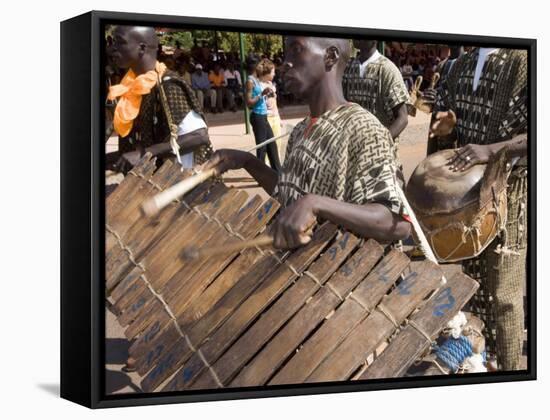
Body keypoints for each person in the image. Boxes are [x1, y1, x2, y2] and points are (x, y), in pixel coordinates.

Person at [203, 36, 411, 249]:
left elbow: (395, 224)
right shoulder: (301, 130)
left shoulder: (364, 128)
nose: (286, 62)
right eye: (287, 53)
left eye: (296, 50)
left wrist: (316, 203)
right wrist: (247, 161)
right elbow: (290, 194)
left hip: (343, 276)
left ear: (330, 56)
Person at [428, 47, 528, 371]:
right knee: (475, 289)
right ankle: (482, 366)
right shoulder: (460, 66)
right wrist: (447, 128)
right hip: (467, 198)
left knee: (504, 295)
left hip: (509, 194)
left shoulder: (524, 59)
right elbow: (453, 133)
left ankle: (514, 375)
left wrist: (489, 149)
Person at [107, 26, 213, 171]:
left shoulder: (168, 85)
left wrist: (144, 154)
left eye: (120, 42)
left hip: (179, 184)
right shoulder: (129, 88)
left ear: (142, 48)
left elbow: (199, 136)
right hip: (148, 183)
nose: (113, 48)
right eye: (113, 42)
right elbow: (134, 149)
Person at [342, 40, 409, 143]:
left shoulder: (387, 69)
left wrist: (380, 144)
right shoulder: (349, 67)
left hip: (379, 152)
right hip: (354, 145)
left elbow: (402, 118)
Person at [245, 57, 282, 172]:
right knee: (262, 148)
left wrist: (267, 94)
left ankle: (278, 173)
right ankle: (261, 175)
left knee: (271, 145)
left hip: (263, 116)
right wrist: (261, 95)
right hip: (257, 116)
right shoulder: (250, 81)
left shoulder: (258, 80)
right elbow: (248, 103)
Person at [258, 58, 283, 137]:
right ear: (267, 73)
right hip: (266, 118)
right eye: (273, 72)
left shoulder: (271, 84)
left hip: (274, 117)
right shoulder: (259, 86)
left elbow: (274, 103)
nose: (274, 74)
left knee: (277, 143)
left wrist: (278, 118)